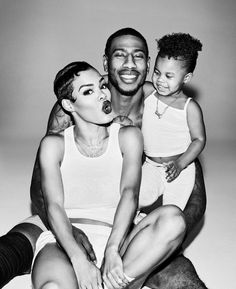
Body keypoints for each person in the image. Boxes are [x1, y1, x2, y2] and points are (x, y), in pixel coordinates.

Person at [0, 28, 207, 289]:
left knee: (183, 277)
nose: (130, 64)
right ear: (106, 63)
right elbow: (41, 187)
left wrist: (159, 243)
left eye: (139, 56)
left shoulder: (164, 104)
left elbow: (191, 183)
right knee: (12, 250)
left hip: (127, 221)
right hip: (67, 216)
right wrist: (70, 236)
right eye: (120, 55)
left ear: (148, 64)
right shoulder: (70, 109)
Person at [31, 61, 186, 289]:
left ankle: (115, 282)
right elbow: (53, 206)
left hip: (120, 238)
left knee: (173, 219)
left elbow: (129, 193)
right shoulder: (54, 145)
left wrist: (113, 249)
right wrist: (78, 259)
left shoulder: (128, 136)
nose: (102, 94)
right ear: (69, 105)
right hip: (65, 242)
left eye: (102, 86)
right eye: (88, 91)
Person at [139, 33, 206, 210]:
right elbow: (125, 90)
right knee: (134, 198)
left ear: (186, 78)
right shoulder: (148, 92)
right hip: (151, 165)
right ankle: (137, 223)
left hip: (180, 169)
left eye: (169, 76)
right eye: (156, 72)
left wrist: (181, 163)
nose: (160, 80)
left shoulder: (189, 107)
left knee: (172, 211)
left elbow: (199, 140)